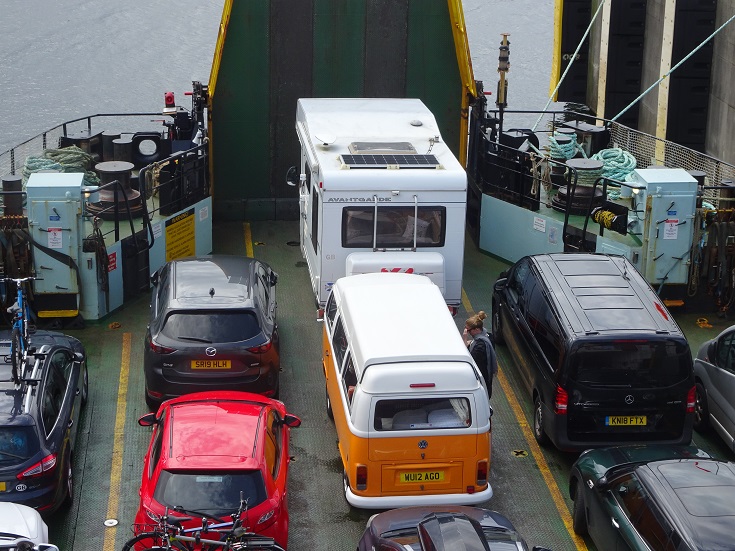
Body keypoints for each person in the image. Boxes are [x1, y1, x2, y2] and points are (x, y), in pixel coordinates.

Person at [463, 311, 498, 398]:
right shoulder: (488, 336)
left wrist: (464, 339)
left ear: (477, 329)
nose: (467, 332)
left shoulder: (480, 347)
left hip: (482, 382)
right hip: (488, 380)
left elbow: (469, 358)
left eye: (468, 330)